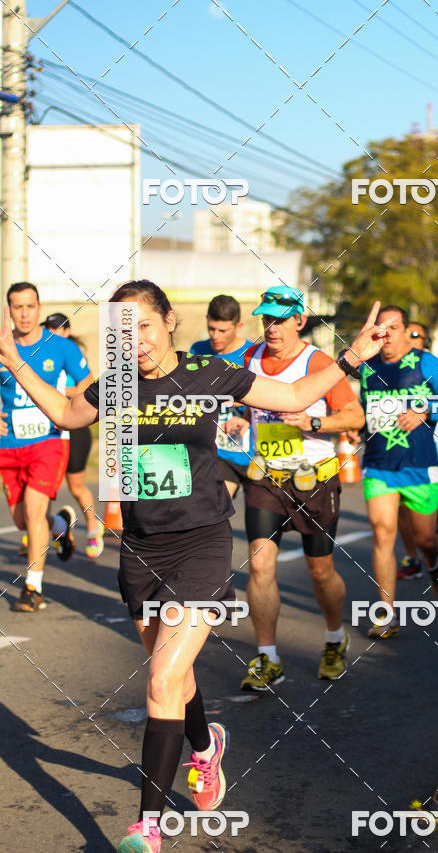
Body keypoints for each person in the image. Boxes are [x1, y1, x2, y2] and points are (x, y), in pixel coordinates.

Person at [0, 279, 390, 851]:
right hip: (140, 549)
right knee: (172, 675)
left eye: (146, 328)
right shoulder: (118, 386)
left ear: (169, 323)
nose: (135, 342)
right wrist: (10, 355)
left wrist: (355, 354)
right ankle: (206, 746)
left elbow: (293, 396)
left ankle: (147, 827)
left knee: (160, 680)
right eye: (123, 332)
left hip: (202, 544)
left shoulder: (213, 376)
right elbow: (61, 409)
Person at [237, 285, 366, 692]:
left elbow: (354, 417)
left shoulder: (320, 362)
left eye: (279, 319)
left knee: (320, 570)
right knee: (259, 563)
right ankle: (267, 657)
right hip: (267, 478)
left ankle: (333, 638)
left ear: (299, 321)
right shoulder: (248, 359)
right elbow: (244, 406)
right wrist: (241, 420)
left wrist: (311, 423)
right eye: (265, 319)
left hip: (314, 479)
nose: (271, 328)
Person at [359, 306, 438, 639]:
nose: (387, 334)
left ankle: (432, 564)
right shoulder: (366, 367)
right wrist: (354, 426)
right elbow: (360, 407)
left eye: (395, 327)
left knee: (425, 539)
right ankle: (386, 615)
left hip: (420, 464)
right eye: (381, 328)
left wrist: (425, 410)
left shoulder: (425, 362)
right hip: (379, 464)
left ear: (405, 331)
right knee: (382, 532)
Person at [0, 283, 92, 612]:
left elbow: (88, 384)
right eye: (17, 307)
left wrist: (60, 401)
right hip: (9, 446)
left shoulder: (62, 348)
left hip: (48, 442)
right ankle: (60, 526)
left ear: (39, 308)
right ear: (9, 310)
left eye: (29, 306)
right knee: (23, 519)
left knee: (34, 510)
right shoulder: (3, 347)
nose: (24, 313)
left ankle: (32, 588)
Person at [43, 313, 104, 558]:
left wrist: (58, 391)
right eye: (49, 329)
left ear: (67, 331)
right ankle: (47, 527)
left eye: (58, 329)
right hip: (49, 428)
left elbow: (86, 386)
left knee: (76, 485)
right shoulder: (40, 352)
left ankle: (92, 526)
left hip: (75, 427)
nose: (53, 333)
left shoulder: (71, 352)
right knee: (44, 486)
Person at [396, 322, 438, 581]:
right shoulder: (389, 365)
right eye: (407, 333)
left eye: (416, 335)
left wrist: (428, 412)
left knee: (424, 529)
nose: (410, 338)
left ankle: (430, 549)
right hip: (394, 452)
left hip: (430, 452)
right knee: (400, 509)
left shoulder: (429, 365)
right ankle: (411, 558)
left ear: (424, 341)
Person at [190, 295, 253, 500]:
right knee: (214, 506)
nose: (215, 336)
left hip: (255, 450)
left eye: (222, 331)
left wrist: (235, 402)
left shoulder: (253, 353)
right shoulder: (198, 350)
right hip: (218, 451)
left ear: (238, 326)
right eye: (211, 328)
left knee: (261, 530)